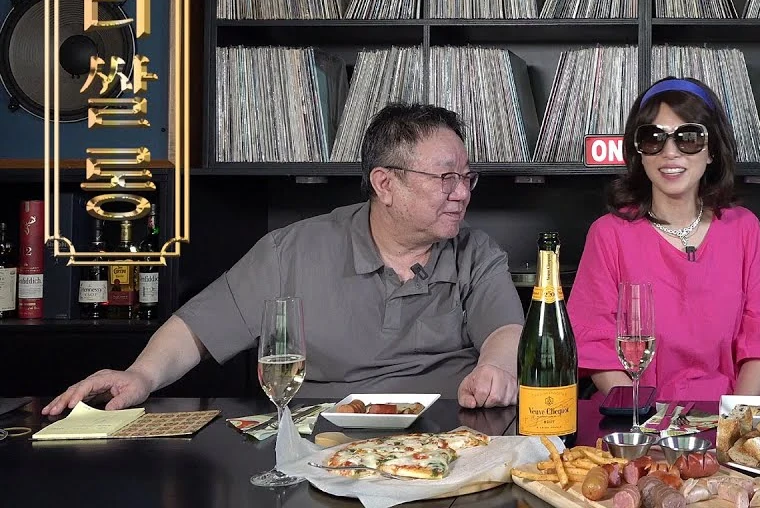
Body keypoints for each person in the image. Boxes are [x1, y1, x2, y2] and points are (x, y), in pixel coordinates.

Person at [43, 103, 525, 415]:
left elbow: (505, 331)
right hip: (323, 439)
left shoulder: (476, 252)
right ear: (385, 184)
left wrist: (497, 370)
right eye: (445, 178)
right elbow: (199, 327)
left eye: (467, 177)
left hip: (447, 432)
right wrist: (141, 375)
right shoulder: (292, 250)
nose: (462, 193)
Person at [566, 77, 760, 401]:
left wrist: (735, 417)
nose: (670, 153)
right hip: (641, 413)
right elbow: (593, 345)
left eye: (689, 138)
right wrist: (645, 418)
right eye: (653, 138)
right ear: (639, 152)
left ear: (711, 151)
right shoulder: (608, 234)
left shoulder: (744, 228)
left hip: (736, 408)